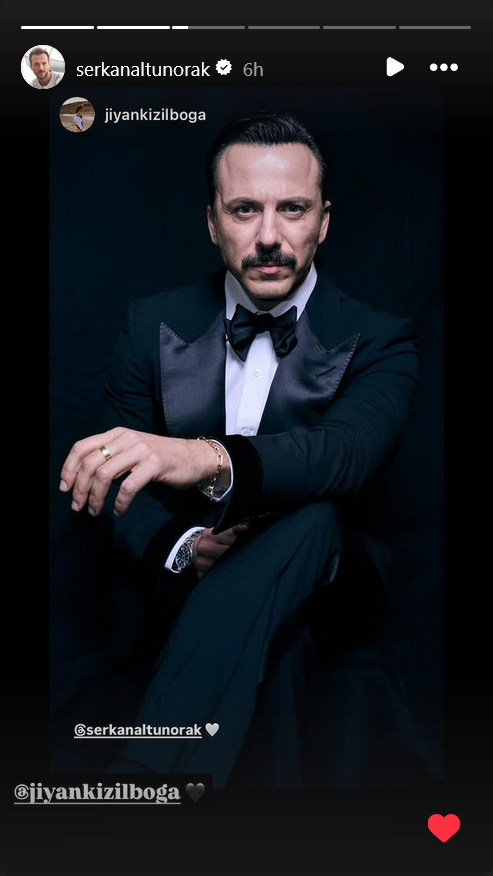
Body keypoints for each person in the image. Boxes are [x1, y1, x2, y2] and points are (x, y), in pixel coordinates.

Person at [59, 112, 420, 788]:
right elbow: (108, 480)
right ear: (212, 222)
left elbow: (344, 455)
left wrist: (204, 457)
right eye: (244, 209)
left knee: (315, 514)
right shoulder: (149, 324)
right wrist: (184, 546)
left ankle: (143, 773)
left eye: (293, 210)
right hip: (184, 594)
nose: (269, 237)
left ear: (323, 222)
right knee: (276, 657)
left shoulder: (381, 339)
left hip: (332, 590)